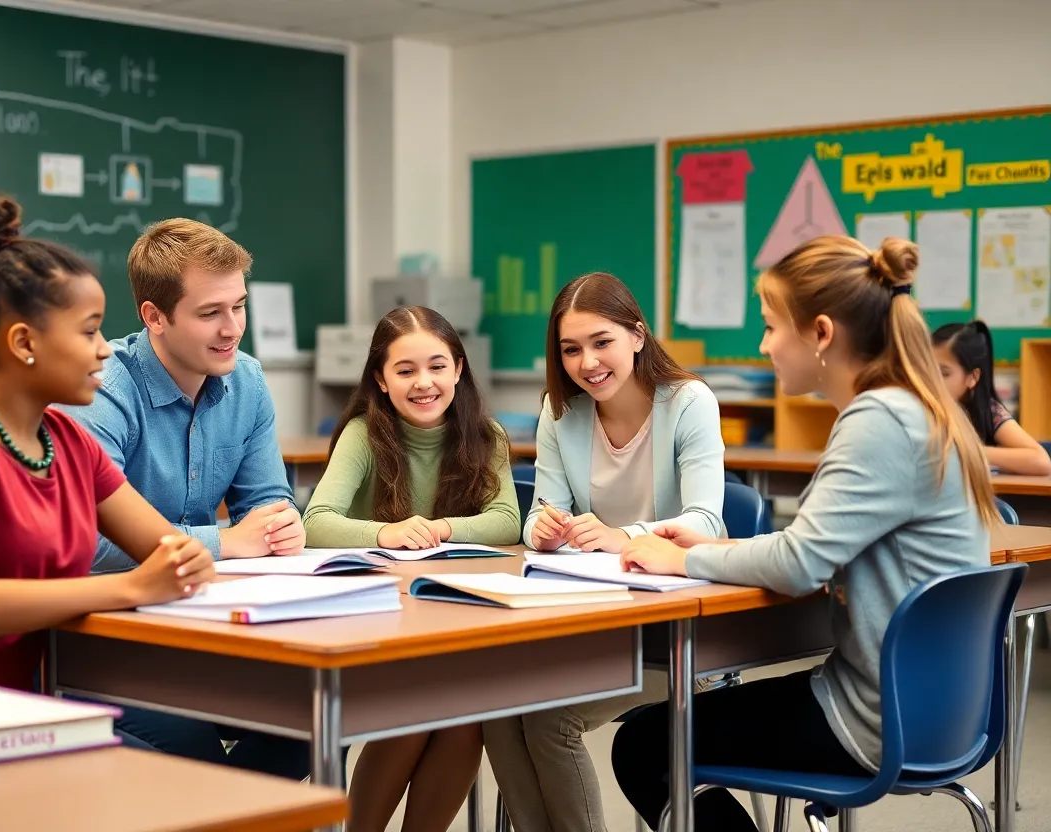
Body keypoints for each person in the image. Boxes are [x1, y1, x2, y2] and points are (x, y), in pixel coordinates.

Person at [611, 237, 997, 831]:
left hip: (872, 716)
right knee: (664, 733)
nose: (763, 346)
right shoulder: (917, 410)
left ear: (821, 333)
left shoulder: (878, 421)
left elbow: (799, 565)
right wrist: (711, 548)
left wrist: (681, 563)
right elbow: (820, 547)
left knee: (643, 742)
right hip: (936, 709)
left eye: (770, 327)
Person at [0, 197, 215, 755]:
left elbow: (168, 549)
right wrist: (131, 586)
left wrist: (187, 558)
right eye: (88, 332)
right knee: (169, 777)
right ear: (24, 342)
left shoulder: (71, 441)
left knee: (224, 747)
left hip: (35, 706)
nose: (105, 350)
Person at [64, 217, 309, 778]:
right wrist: (225, 541)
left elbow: (268, 502)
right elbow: (86, 542)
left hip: (204, 627)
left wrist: (281, 525)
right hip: (105, 637)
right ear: (154, 317)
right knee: (193, 748)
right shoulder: (101, 391)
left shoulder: (246, 380)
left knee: (318, 719)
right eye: (210, 313)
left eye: (239, 306)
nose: (233, 329)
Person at [482, 272, 724, 832]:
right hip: (591, 624)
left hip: (677, 639)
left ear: (638, 336)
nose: (587, 362)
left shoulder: (688, 402)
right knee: (496, 709)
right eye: (570, 349)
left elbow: (707, 522)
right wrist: (542, 528)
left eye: (601, 342)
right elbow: (543, 510)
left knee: (548, 720)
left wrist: (628, 537)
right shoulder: (561, 411)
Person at [303, 305, 520, 832]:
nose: (424, 383)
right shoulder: (363, 432)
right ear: (380, 378)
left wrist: (442, 528)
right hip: (368, 622)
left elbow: (508, 521)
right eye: (405, 371)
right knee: (413, 711)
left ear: (459, 368)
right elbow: (315, 522)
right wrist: (386, 533)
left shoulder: (485, 435)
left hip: (445, 621)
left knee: (466, 721)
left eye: (437, 366)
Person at [932, 320, 1051, 475]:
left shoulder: (988, 411)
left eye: (944, 373)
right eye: (927, 370)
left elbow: (1041, 461)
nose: (932, 380)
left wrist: (969, 452)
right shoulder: (915, 406)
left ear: (972, 377)